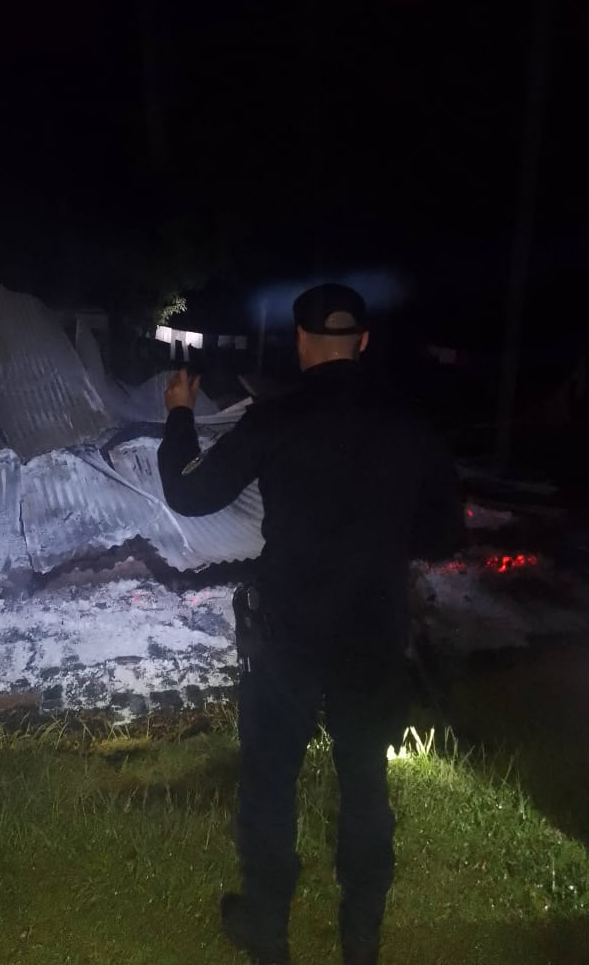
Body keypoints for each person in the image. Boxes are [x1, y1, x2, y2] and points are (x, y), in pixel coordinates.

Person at [157, 282, 464, 965]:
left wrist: (180, 413)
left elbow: (190, 491)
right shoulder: (409, 424)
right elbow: (446, 533)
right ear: (363, 341)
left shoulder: (277, 418)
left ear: (300, 342)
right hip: (371, 632)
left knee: (271, 780)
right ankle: (361, 939)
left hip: (288, 632)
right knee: (365, 782)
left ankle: (267, 930)